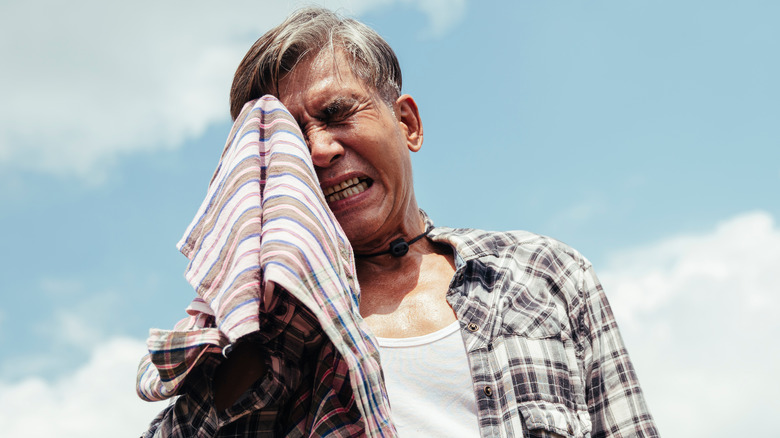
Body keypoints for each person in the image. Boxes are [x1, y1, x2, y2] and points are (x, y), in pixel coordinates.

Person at [140, 7, 658, 437]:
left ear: (407, 123)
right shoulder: (259, 329)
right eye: (288, 142)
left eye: (338, 113)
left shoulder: (542, 274)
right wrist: (258, 333)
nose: (319, 150)